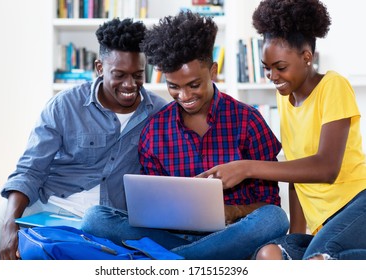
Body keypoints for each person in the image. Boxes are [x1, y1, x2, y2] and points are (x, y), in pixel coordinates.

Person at [81, 10, 289, 260]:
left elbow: (269, 205)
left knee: (275, 219)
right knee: (95, 219)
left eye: (193, 85)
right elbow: (151, 208)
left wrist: (233, 211)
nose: (184, 96)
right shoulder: (155, 131)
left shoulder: (248, 121)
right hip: (173, 237)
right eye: (173, 86)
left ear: (212, 72)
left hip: (234, 233)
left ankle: (173, 262)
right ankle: (191, 259)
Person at [0, 18, 167, 260]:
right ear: (99, 68)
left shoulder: (159, 112)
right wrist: (9, 224)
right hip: (47, 205)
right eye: (119, 75)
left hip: (107, 221)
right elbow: (30, 170)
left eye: (138, 75)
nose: (130, 84)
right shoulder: (65, 105)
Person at [198, 0, 366, 260]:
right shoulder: (284, 97)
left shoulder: (333, 86)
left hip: (357, 205)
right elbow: (297, 173)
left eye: (280, 67)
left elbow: (326, 167)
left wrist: (245, 167)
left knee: (319, 259)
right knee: (270, 254)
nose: (272, 76)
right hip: (324, 225)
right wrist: (294, 236)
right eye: (267, 68)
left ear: (307, 57)